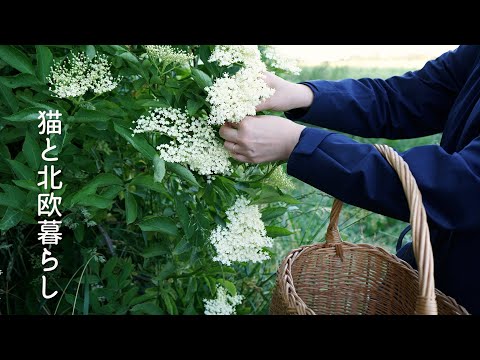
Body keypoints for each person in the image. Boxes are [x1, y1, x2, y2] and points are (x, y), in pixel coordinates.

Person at [219, 45, 480, 315]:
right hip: (431, 266)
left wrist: (300, 144)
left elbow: (457, 186)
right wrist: (302, 95)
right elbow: (406, 97)